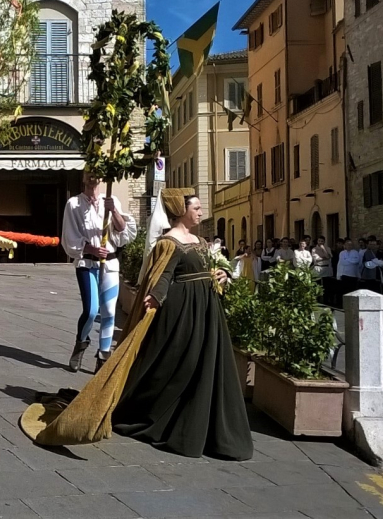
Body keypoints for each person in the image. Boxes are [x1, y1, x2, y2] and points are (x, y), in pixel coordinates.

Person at [21, 188, 253, 461]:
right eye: (197, 207)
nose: (201, 212)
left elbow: (205, 269)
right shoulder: (169, 242)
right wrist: (155, 296)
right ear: (181, 209)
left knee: (205, 365)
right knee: (180, 366)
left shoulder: (199, 240)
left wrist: (223, 274)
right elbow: (162, 275)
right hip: (182, 313)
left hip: (206, 311)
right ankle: (156, 414)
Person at [62, 171, 137, 373]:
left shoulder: (111, 201)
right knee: (91, 310)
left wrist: (113, 211)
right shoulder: (74, 204)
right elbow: (70, 238)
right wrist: (90, 248)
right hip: (87, 264)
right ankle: (81, 343)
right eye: (90, 173)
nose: (93, 177)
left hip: (110, 264)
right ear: (84, 177)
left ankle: (103, 355)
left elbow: (123, 232)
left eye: (97, 173)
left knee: (109, 312)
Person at [337, 238, 361, 305]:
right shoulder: (342, 253)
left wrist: (347, 260)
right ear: (344, 245)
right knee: (345, 291)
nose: (349, 246)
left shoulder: (355, 252)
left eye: (350, 245)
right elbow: (343, 262)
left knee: (352, 291)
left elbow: (356, 261)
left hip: (353, 275)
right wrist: (350, 261)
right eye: (347, 245)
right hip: (344, 274)